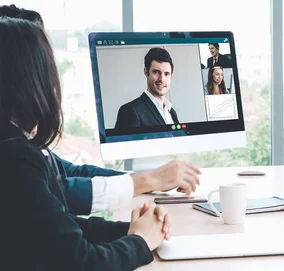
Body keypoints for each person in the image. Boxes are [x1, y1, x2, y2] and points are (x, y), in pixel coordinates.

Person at [0, 17, 169, 270]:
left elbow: (64, 227)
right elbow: (82, 261)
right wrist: (140, 241)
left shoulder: (17, 144)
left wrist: (133, 230)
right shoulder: (15, 157)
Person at [0, 4, 201, 216]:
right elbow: (59, 193)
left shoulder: (22, 138)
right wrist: (148, 181)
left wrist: (149, 180)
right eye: (43, 60)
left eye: (167, 73)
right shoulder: (12, 150)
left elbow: (72, 173)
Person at [115, 47, 180, 129]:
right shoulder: (130, 111)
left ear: (171, 76)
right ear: (146, 72)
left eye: (166, 74)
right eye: (156, 72)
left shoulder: (172, 112)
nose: (162, 79)